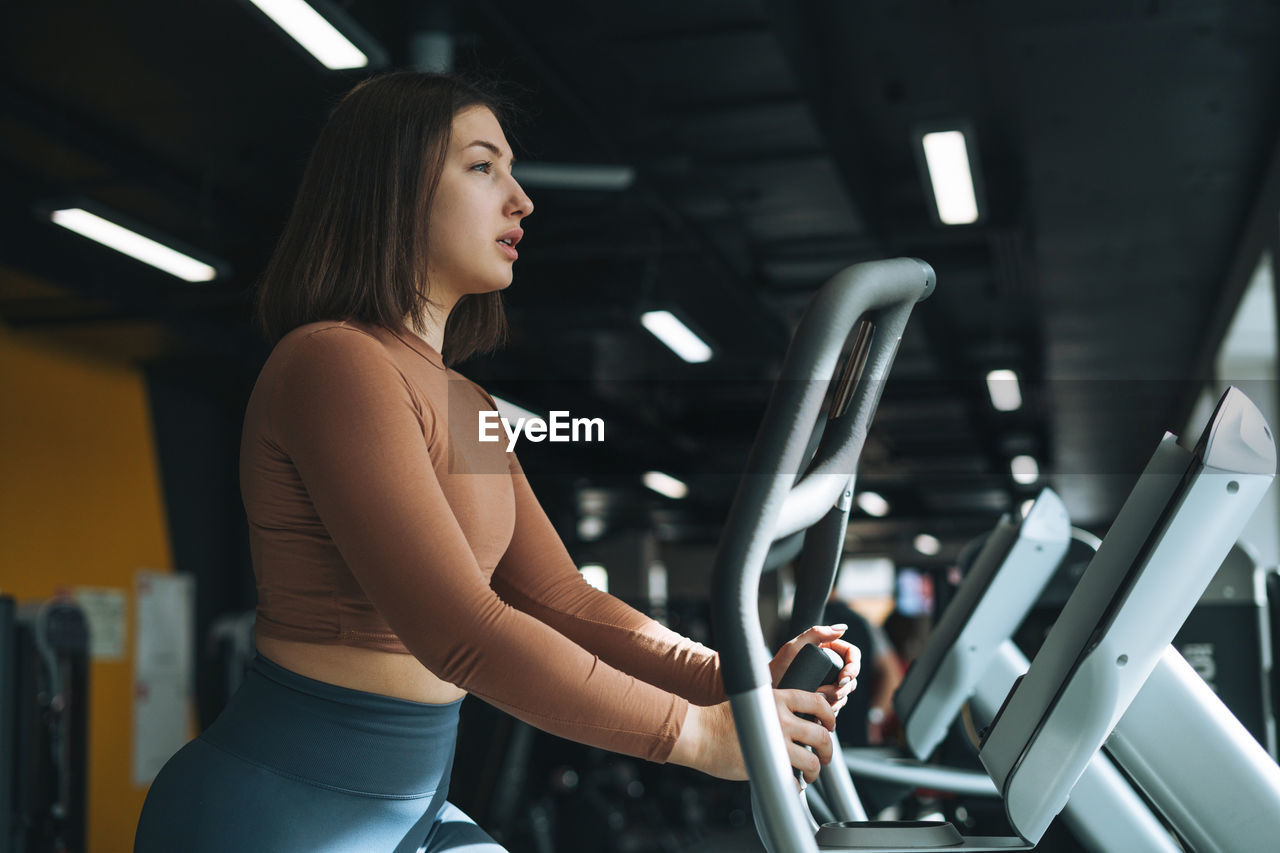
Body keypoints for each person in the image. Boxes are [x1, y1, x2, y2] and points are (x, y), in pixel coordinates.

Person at [132, 70, 860, 853]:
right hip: (278, 814)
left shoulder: (464, 403)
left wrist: (729, 684)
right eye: (484, 167)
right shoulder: (332, 362)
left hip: (411, 808)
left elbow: (563, 599)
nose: (522, 199)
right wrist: (693, 735)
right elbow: (459, 629)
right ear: (394, 187)